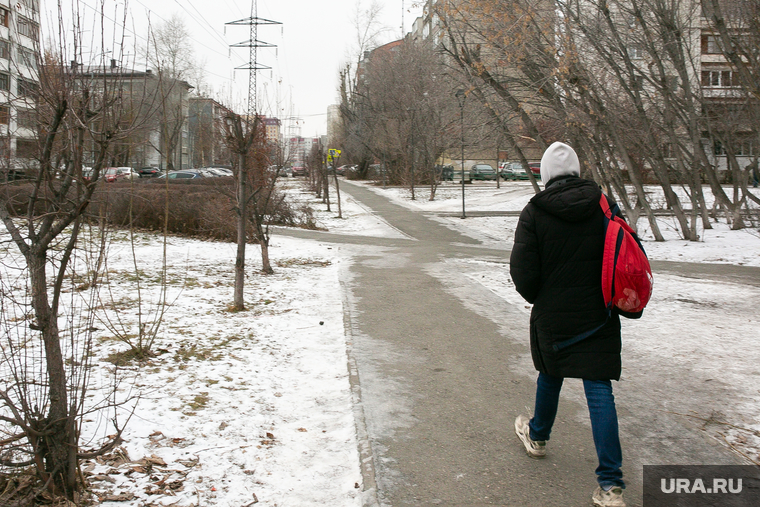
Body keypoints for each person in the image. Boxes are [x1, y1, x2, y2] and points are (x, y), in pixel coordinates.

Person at [509, 142, 627, 507]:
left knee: (551, 370)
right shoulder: (604, 205)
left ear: (544, 174)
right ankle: (610, 485)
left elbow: (523, 273)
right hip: (599, 313)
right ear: (576, 170)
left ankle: (539, 437)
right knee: (598, 389)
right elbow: (626, 250)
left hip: (554, 313)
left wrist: (541, 297)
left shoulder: (535, 212)